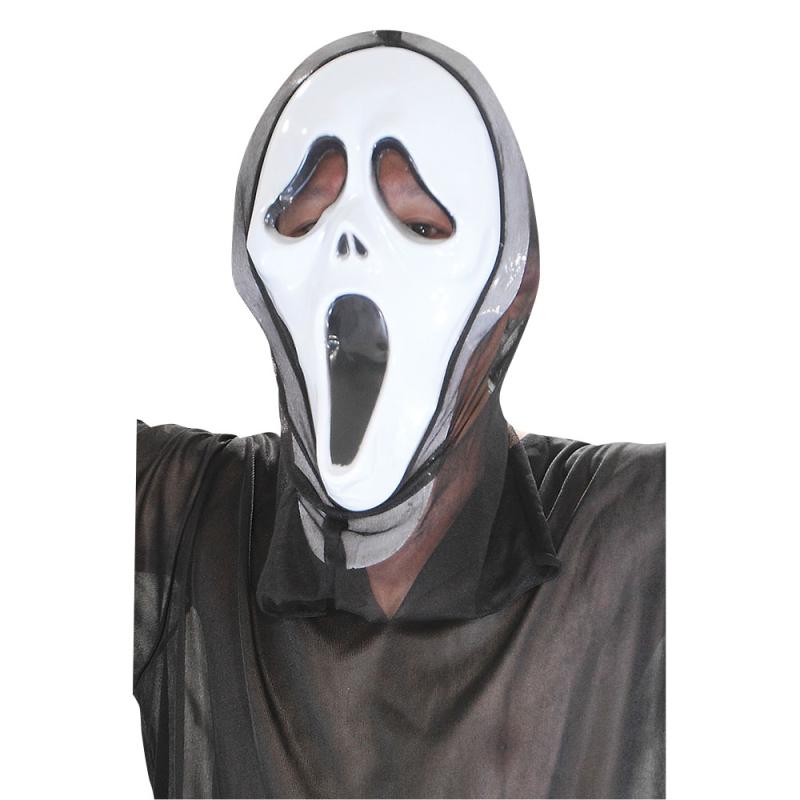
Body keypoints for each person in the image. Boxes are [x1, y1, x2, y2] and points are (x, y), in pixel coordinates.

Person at [134, 30, 665, 799]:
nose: (349, 247)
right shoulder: (186, 518)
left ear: (509, 290)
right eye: (303, 219)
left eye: (421, 226)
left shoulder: (638, 535)